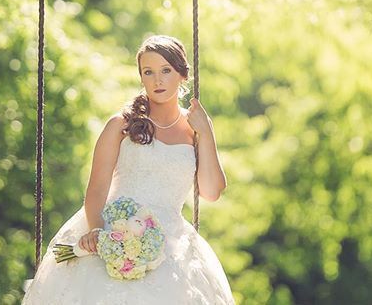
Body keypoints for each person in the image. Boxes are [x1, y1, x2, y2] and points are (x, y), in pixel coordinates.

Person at [21, 34, 235, 304]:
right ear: (141, 77)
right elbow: (97, 188)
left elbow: (212, 191)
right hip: (114, 229)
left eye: (166, 71)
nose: (157, 81)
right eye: (148, 72)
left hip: (171, 244)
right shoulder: (120, 125)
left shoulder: (195, 129)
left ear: (182, 75)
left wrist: (206, 132)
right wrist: (100, 233)